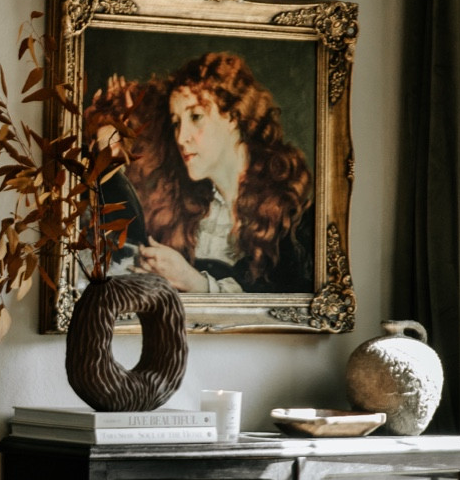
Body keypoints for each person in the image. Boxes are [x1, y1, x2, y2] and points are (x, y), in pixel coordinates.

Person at [93, 51, 314, 296]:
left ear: (233, 116)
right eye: (177, 122)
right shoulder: (188, 209)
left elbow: (287, 304)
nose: (181, 137)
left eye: (195, 117)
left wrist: (195, 282)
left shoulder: (293, 212)